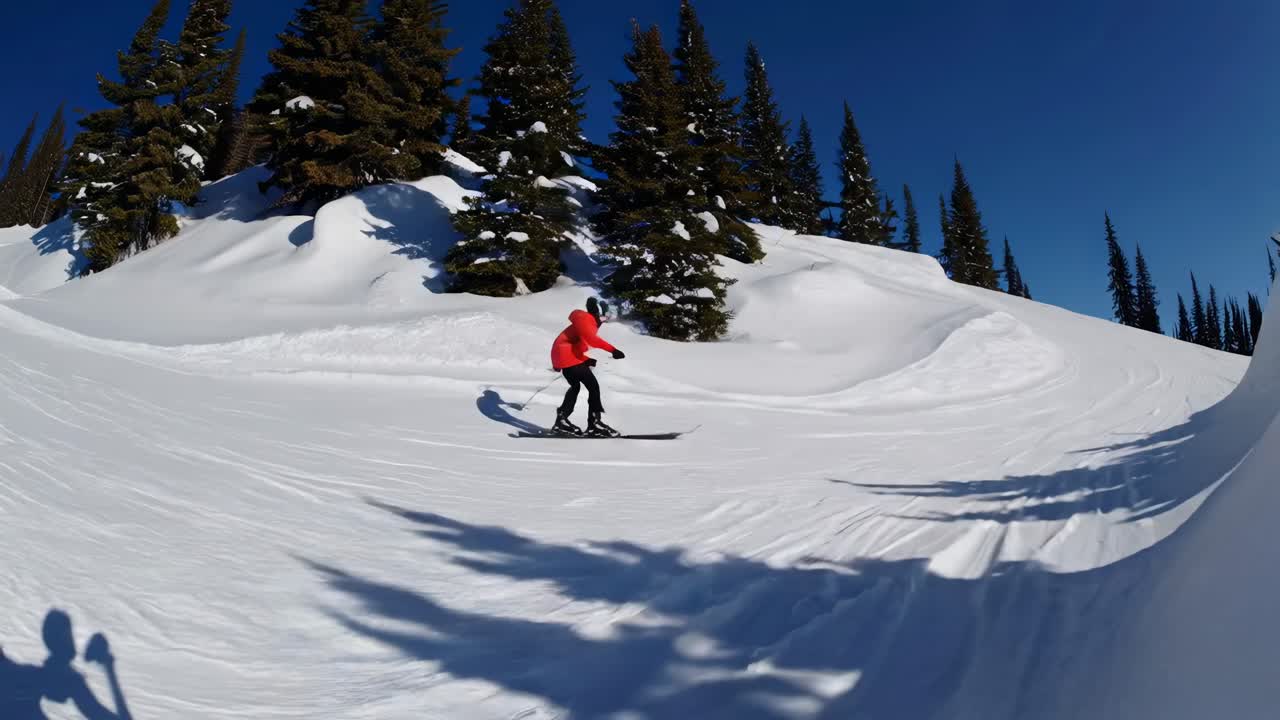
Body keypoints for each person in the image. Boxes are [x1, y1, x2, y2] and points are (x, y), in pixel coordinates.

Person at [550, 298, 625, 436]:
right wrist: (613, 350)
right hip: (566, 356)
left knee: (575, 386)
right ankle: (594, 424)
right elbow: (592, 340)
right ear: (596, 314)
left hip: (564, 356)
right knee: (593, 386)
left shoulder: (585, 322)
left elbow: (575, 344)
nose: (602, 322)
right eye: (602, 318)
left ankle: (562, 420)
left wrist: (585, 360)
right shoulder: (587, 320)